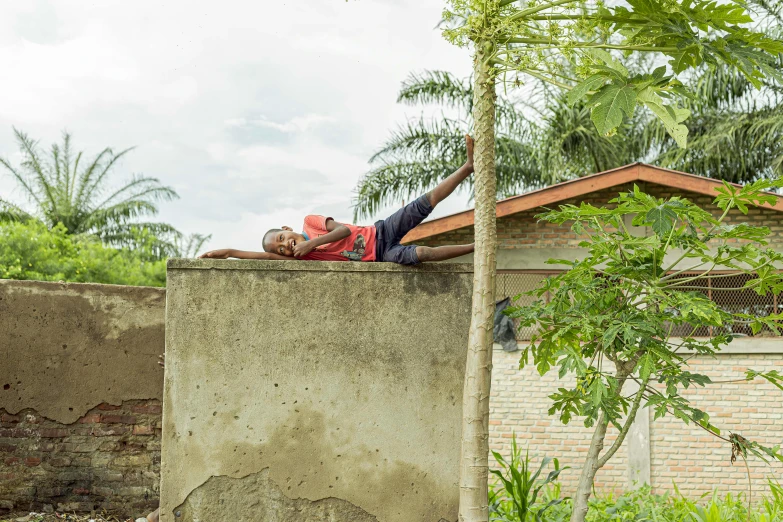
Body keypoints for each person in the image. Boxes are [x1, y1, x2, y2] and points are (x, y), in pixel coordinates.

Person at [199, 135, 476, 264]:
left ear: (287, 229)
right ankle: (476, 246)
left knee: (422, 204)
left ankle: (466, 168)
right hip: (381, 255)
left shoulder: (311, 223)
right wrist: (228, 252)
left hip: (380, 230)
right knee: (422, 254)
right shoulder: (305, 258)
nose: (285, 247)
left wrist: (313, 243)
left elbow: (345, 231)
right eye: (281, 250)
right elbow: (257, 256)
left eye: (282, 240)